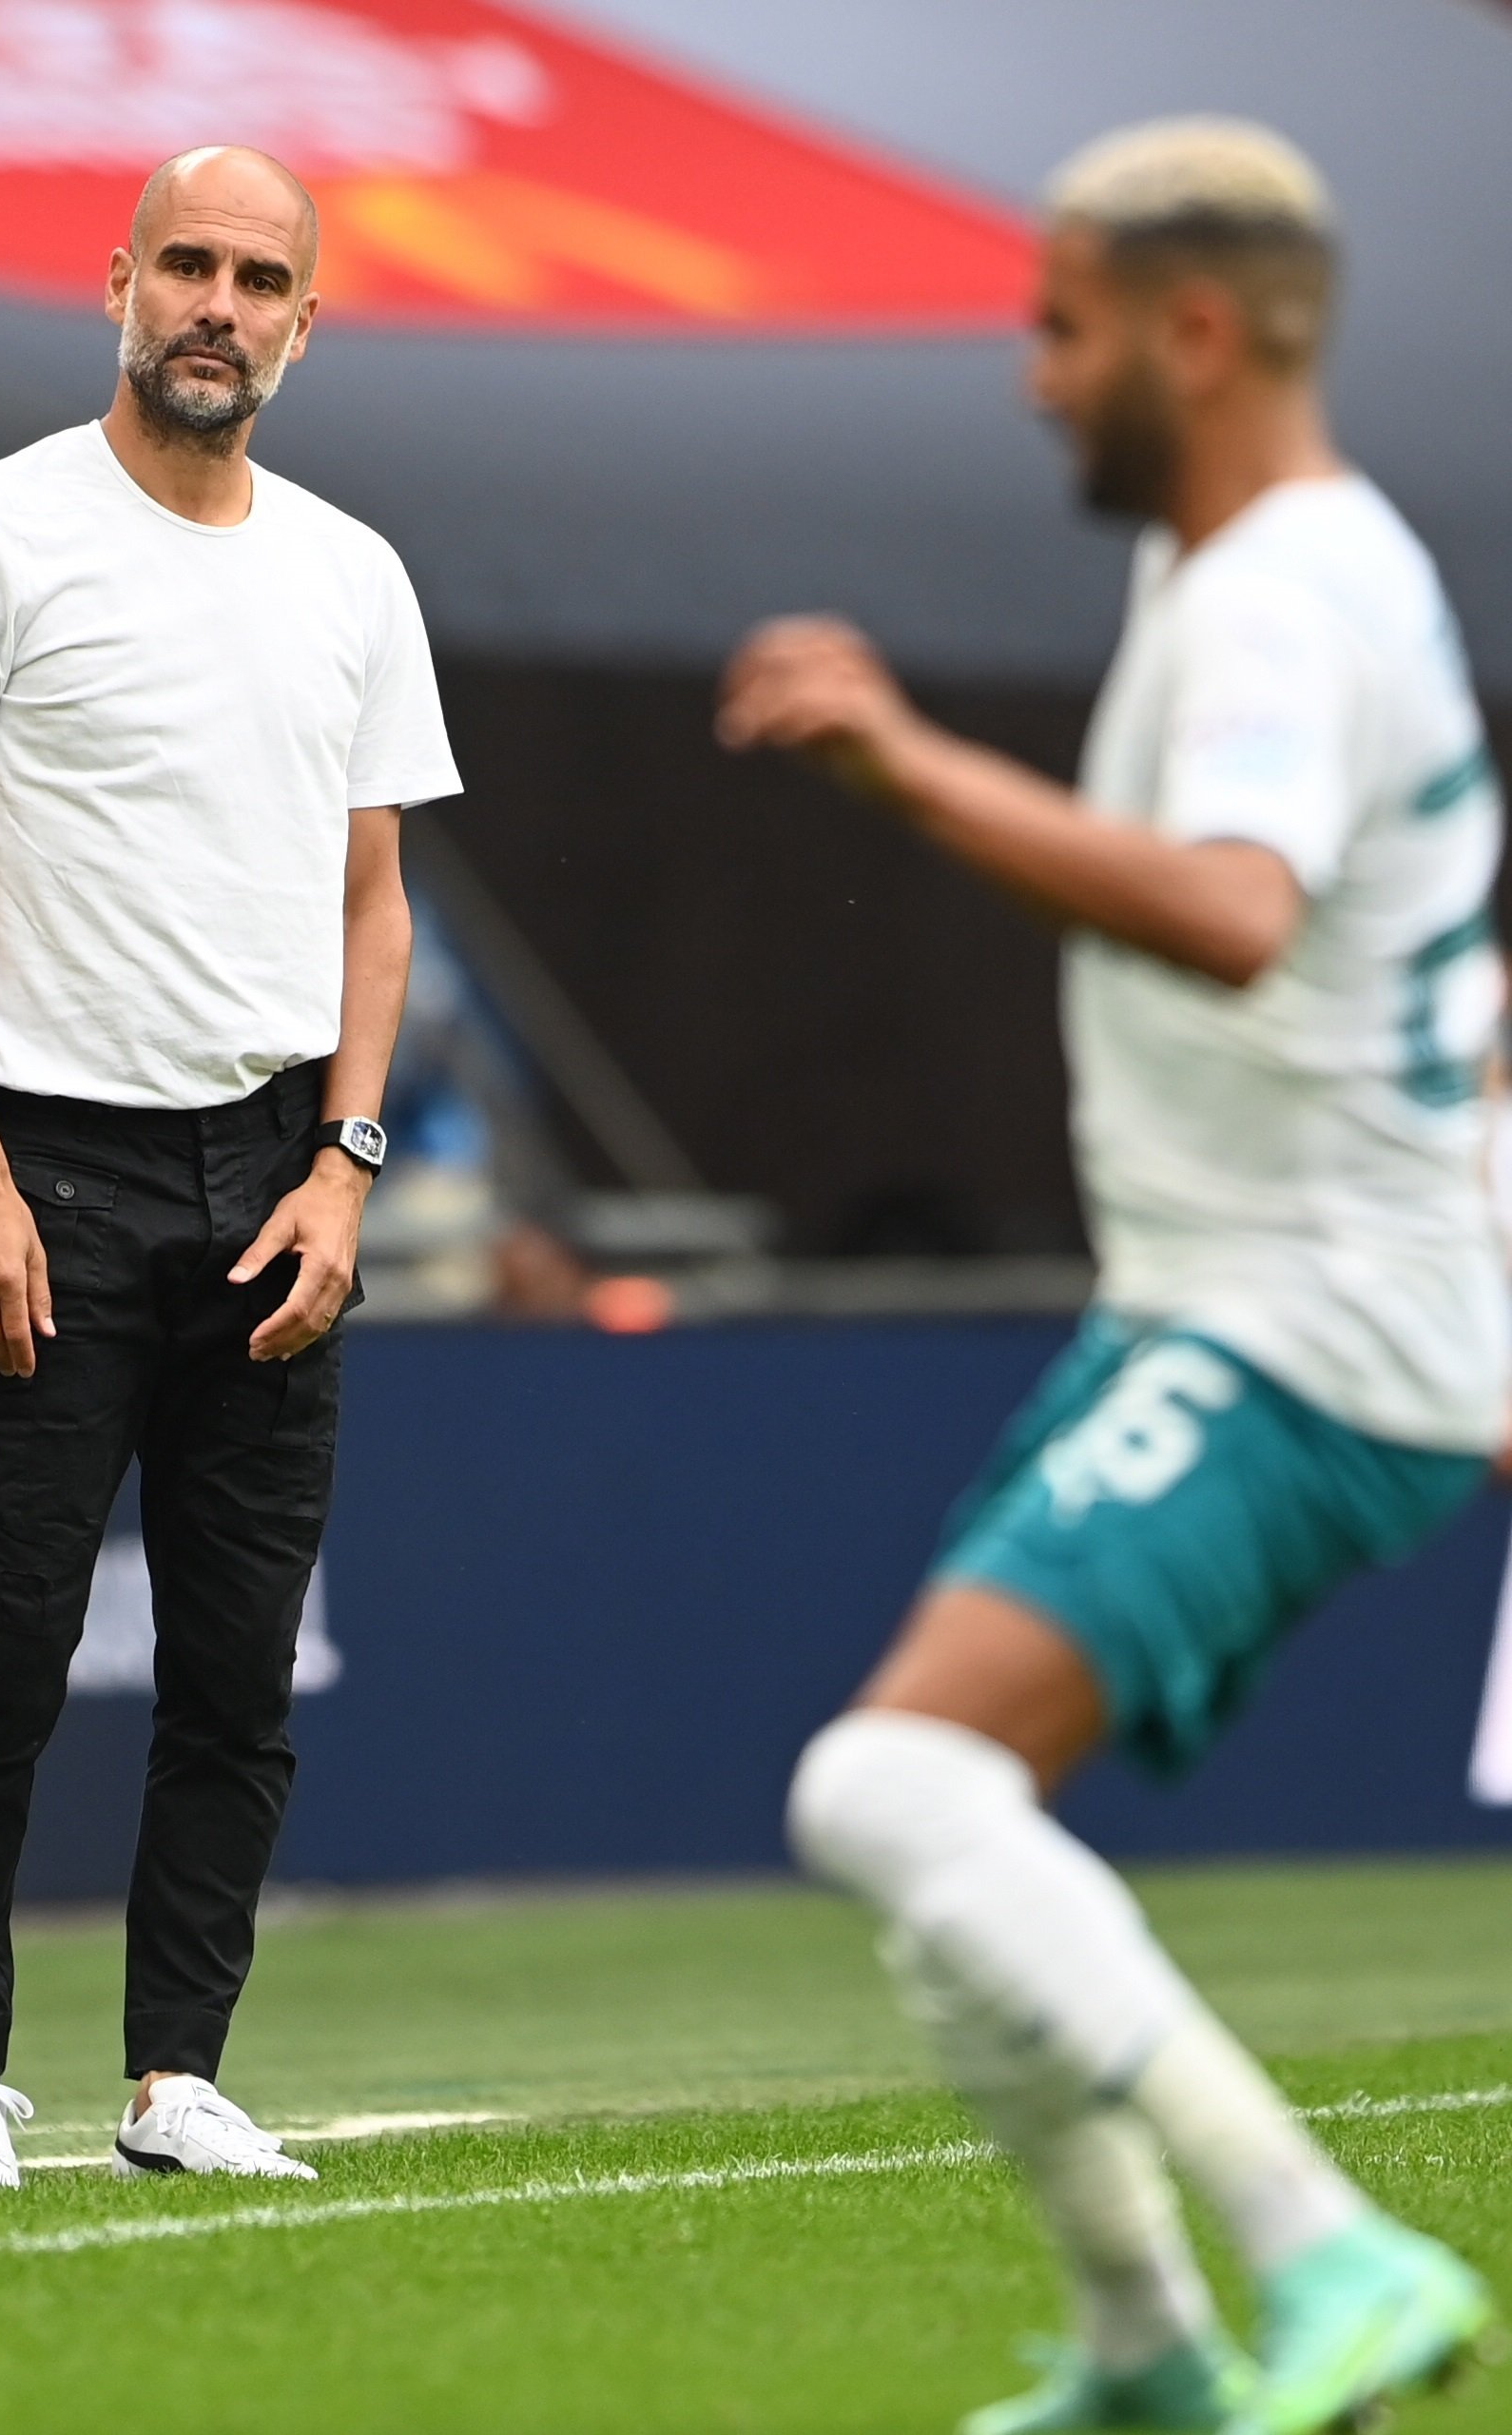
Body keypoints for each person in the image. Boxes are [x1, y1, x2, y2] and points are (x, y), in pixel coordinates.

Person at [725, 120, 1501, 2435]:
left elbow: (1237, 908)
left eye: (1059, 327)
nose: (1034, 380)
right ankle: (1150, 2352)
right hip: (1239, 1296)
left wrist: (902, 763)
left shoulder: (1279, 595)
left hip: (1314, 1322)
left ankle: (1321, 2244)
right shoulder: (1266, 563)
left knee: (883, 1785)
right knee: (948, 1828)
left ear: (1195, 328)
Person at [0, 146, 453, 2194]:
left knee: (235, 1664)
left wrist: (350, 1165)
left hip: (275, 1167)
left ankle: (176, 2072)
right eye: (184, 265)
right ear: (114, 282)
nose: (216, 301)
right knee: (0, 1650)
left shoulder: (355, 573)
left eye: (255, 275)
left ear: (306, 319)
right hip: (48, 1163)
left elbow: (375, 905)